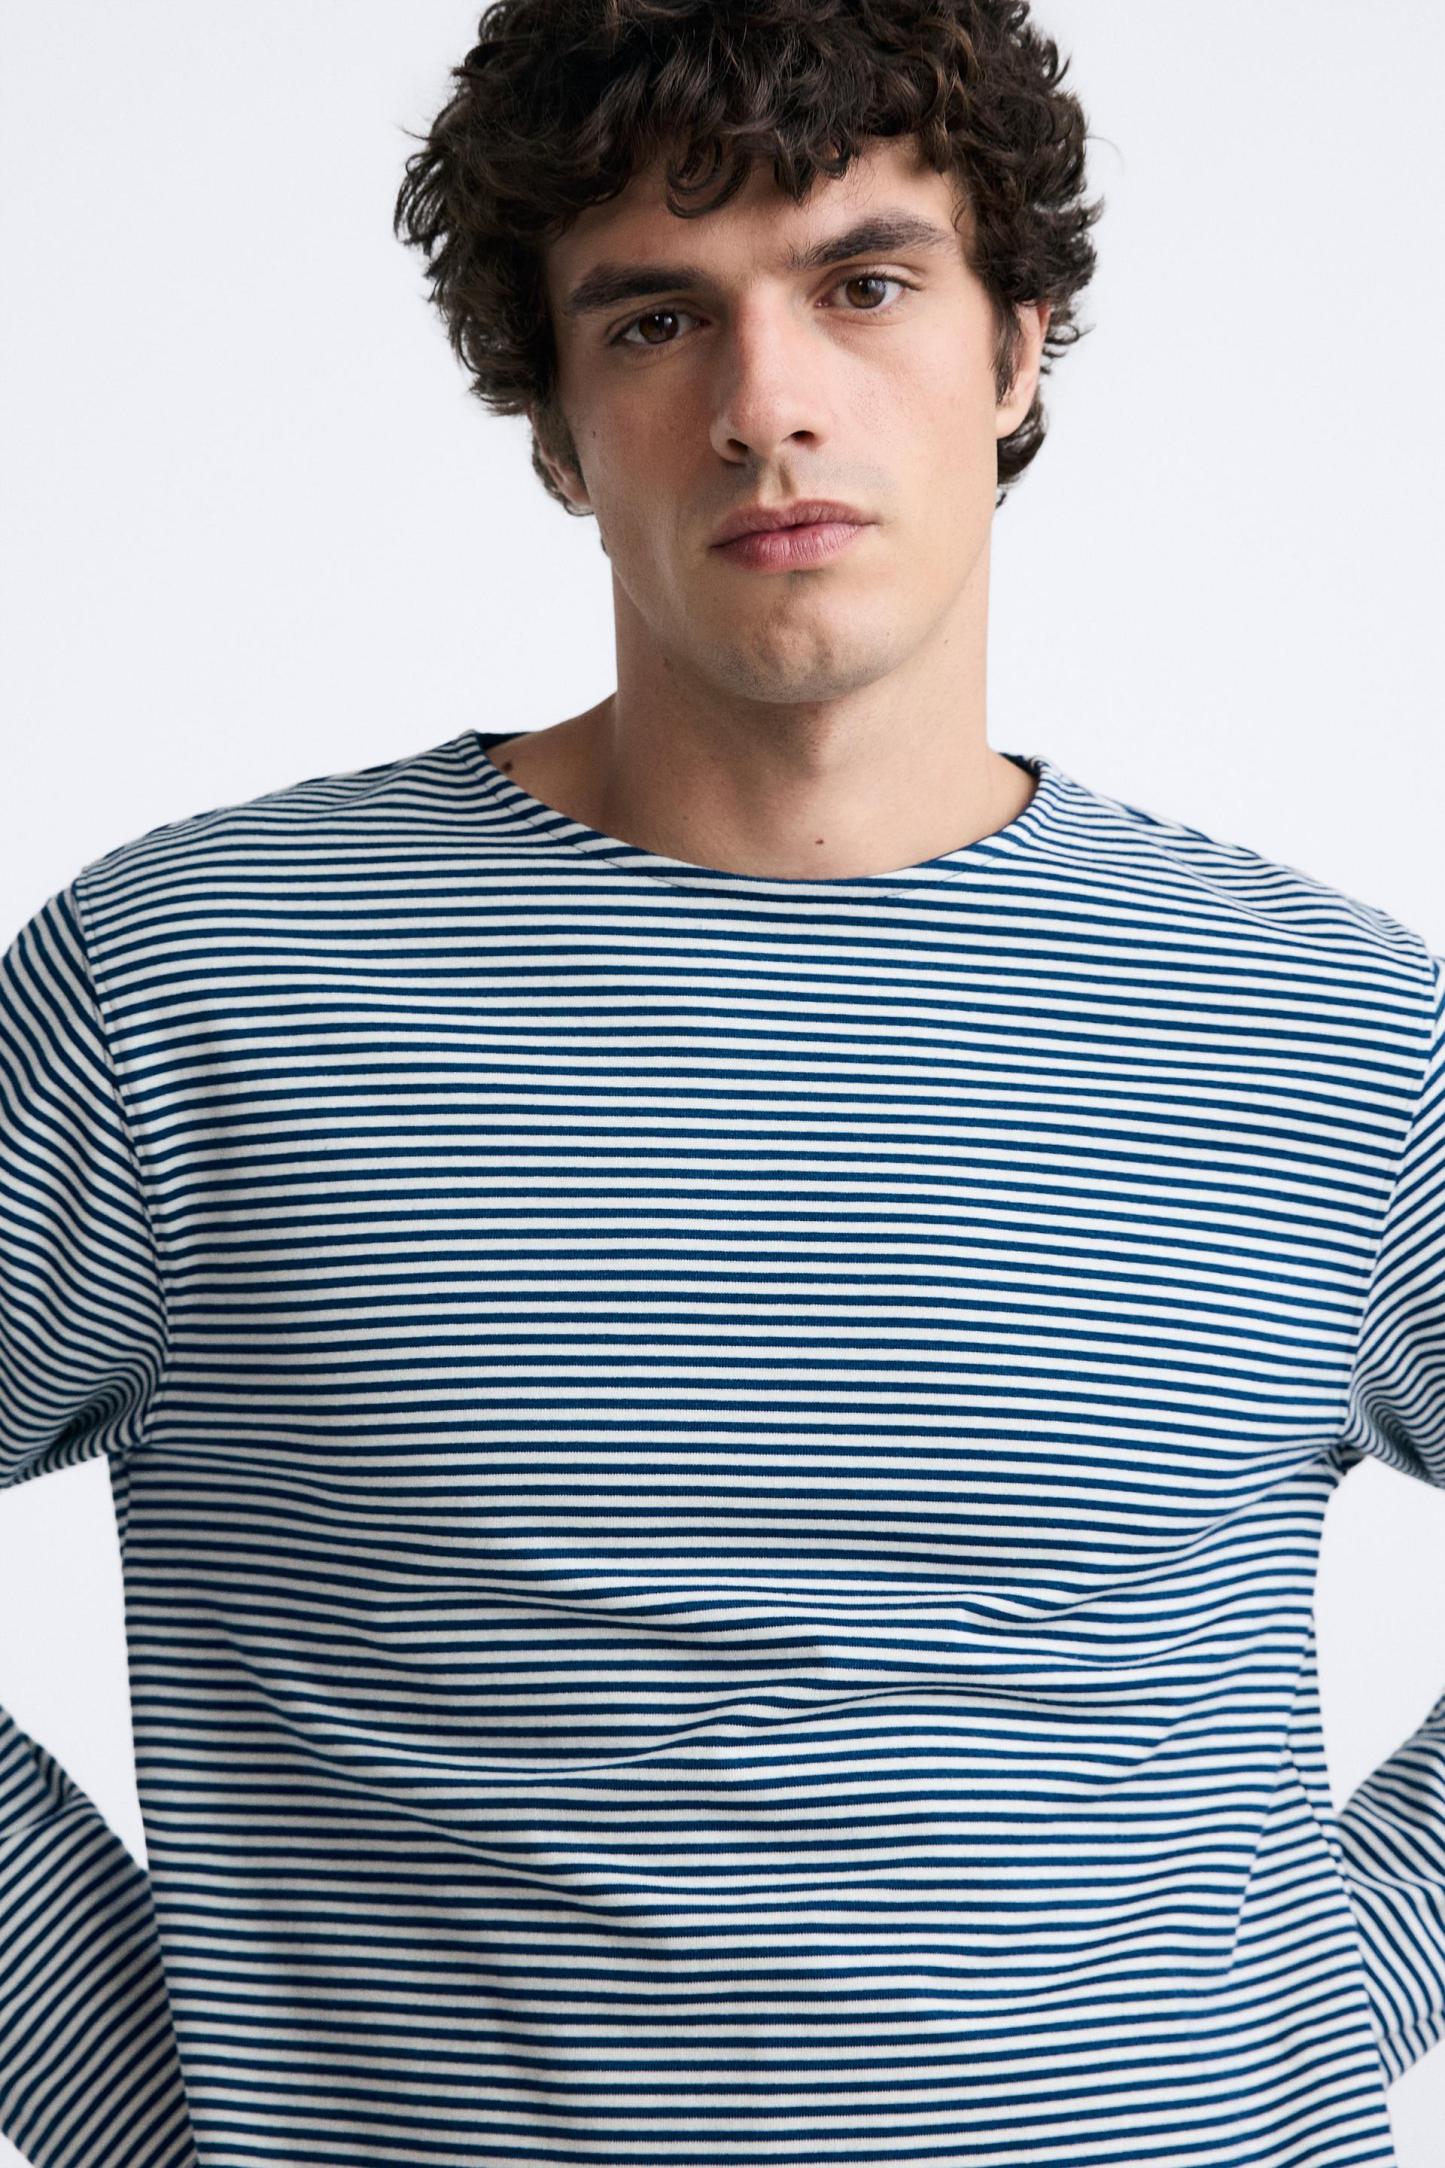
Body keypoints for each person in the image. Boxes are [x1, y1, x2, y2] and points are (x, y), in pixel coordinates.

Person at [2, 2, 1441, 2162]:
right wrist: (153, 2090)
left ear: (1016, 344)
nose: (767, 406)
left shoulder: (1326, 1024)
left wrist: (1313, 1994)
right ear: (556, 422)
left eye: (864, 284)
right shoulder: (194, 988)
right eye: (658, 320)